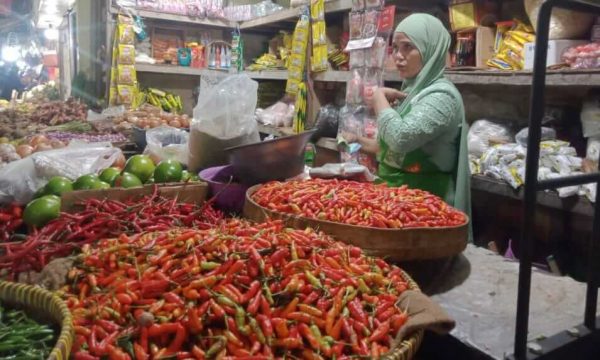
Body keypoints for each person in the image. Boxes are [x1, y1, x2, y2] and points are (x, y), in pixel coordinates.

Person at [346, 13, 471, 220]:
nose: (398, 55)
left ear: (430, 49)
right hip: (400, 203)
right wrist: (357, 140)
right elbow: (386, 148)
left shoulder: (441, 96)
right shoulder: (414, 92)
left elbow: (400, 139)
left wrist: (378, 98)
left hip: (427, 208)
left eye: (407, 47)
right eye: (395, 48)